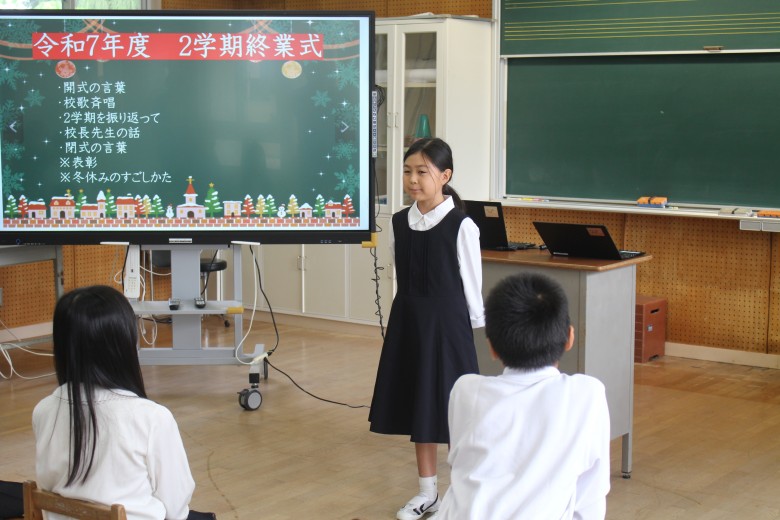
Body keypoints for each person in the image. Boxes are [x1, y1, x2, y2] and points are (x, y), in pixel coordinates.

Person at [368, 137, 485, 520]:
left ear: (445, 175)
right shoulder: (400, 221)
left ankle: (463, 493)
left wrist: (474, 332)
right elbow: (396, 272)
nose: (412, 179)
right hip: (410, 323)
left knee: (455, 411)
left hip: (448, 328)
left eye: (422, 172)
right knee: (420, 408)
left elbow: (471, 284)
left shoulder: (461, 225)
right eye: (407, 171)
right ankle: (427, 493)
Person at [434, 273, 611, 519]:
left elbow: (460, 463)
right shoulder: (587, 394)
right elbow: (591, 495)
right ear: (569, 337)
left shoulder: (466, 390)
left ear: (492, 348)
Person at [32, 285, 202, 520]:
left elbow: (48, 486)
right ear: (122, 344)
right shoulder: (151, 418)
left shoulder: (43, 410)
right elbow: (176, 507)